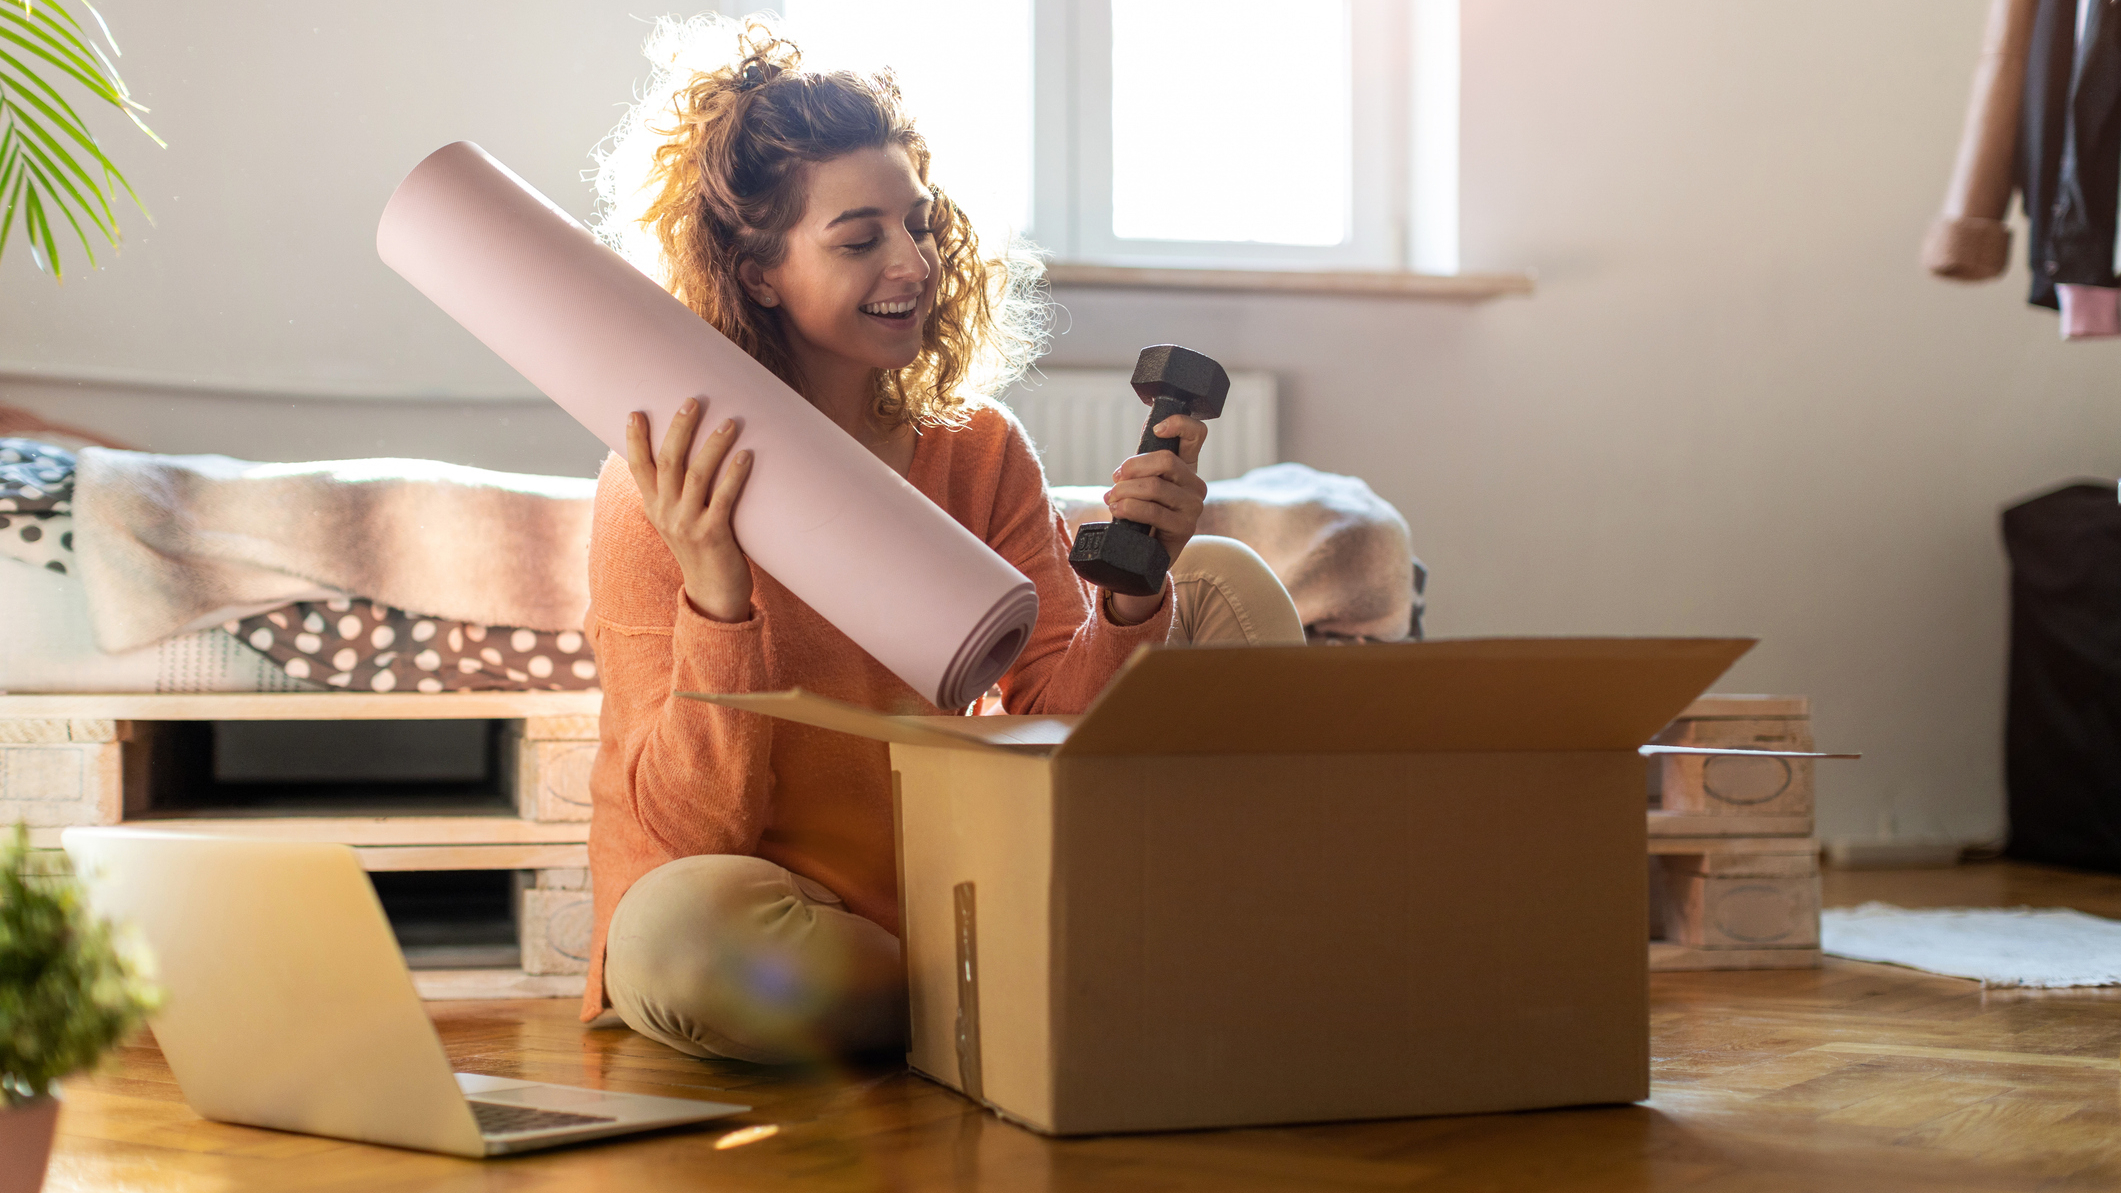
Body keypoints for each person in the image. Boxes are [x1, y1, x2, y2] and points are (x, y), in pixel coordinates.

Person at [582, 17, 1305, 1063]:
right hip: (773, 907)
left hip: (950, 883)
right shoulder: (661, 482)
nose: (914, 262)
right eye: (859, 236)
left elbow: (1055, 708)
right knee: (679, 935)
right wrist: (719, 595)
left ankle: (1060, 967)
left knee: (1223, 577)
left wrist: (1136, 598)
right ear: (755, 274)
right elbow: (694, 835)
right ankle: (1036, 987)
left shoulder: (976, 449)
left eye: (917, 225)